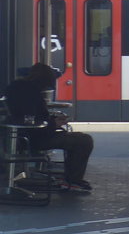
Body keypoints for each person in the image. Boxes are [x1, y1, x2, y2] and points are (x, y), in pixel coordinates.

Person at [3, 63, 94, 193]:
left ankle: (72, 180)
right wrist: (54, 123)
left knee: (80, 139)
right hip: (35, 138)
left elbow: (31, 115)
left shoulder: (18, 88)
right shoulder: (30, 93)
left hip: (25, 135)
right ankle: (72, 181)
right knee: (84, 141)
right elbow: (33, 122)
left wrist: (52, 120)